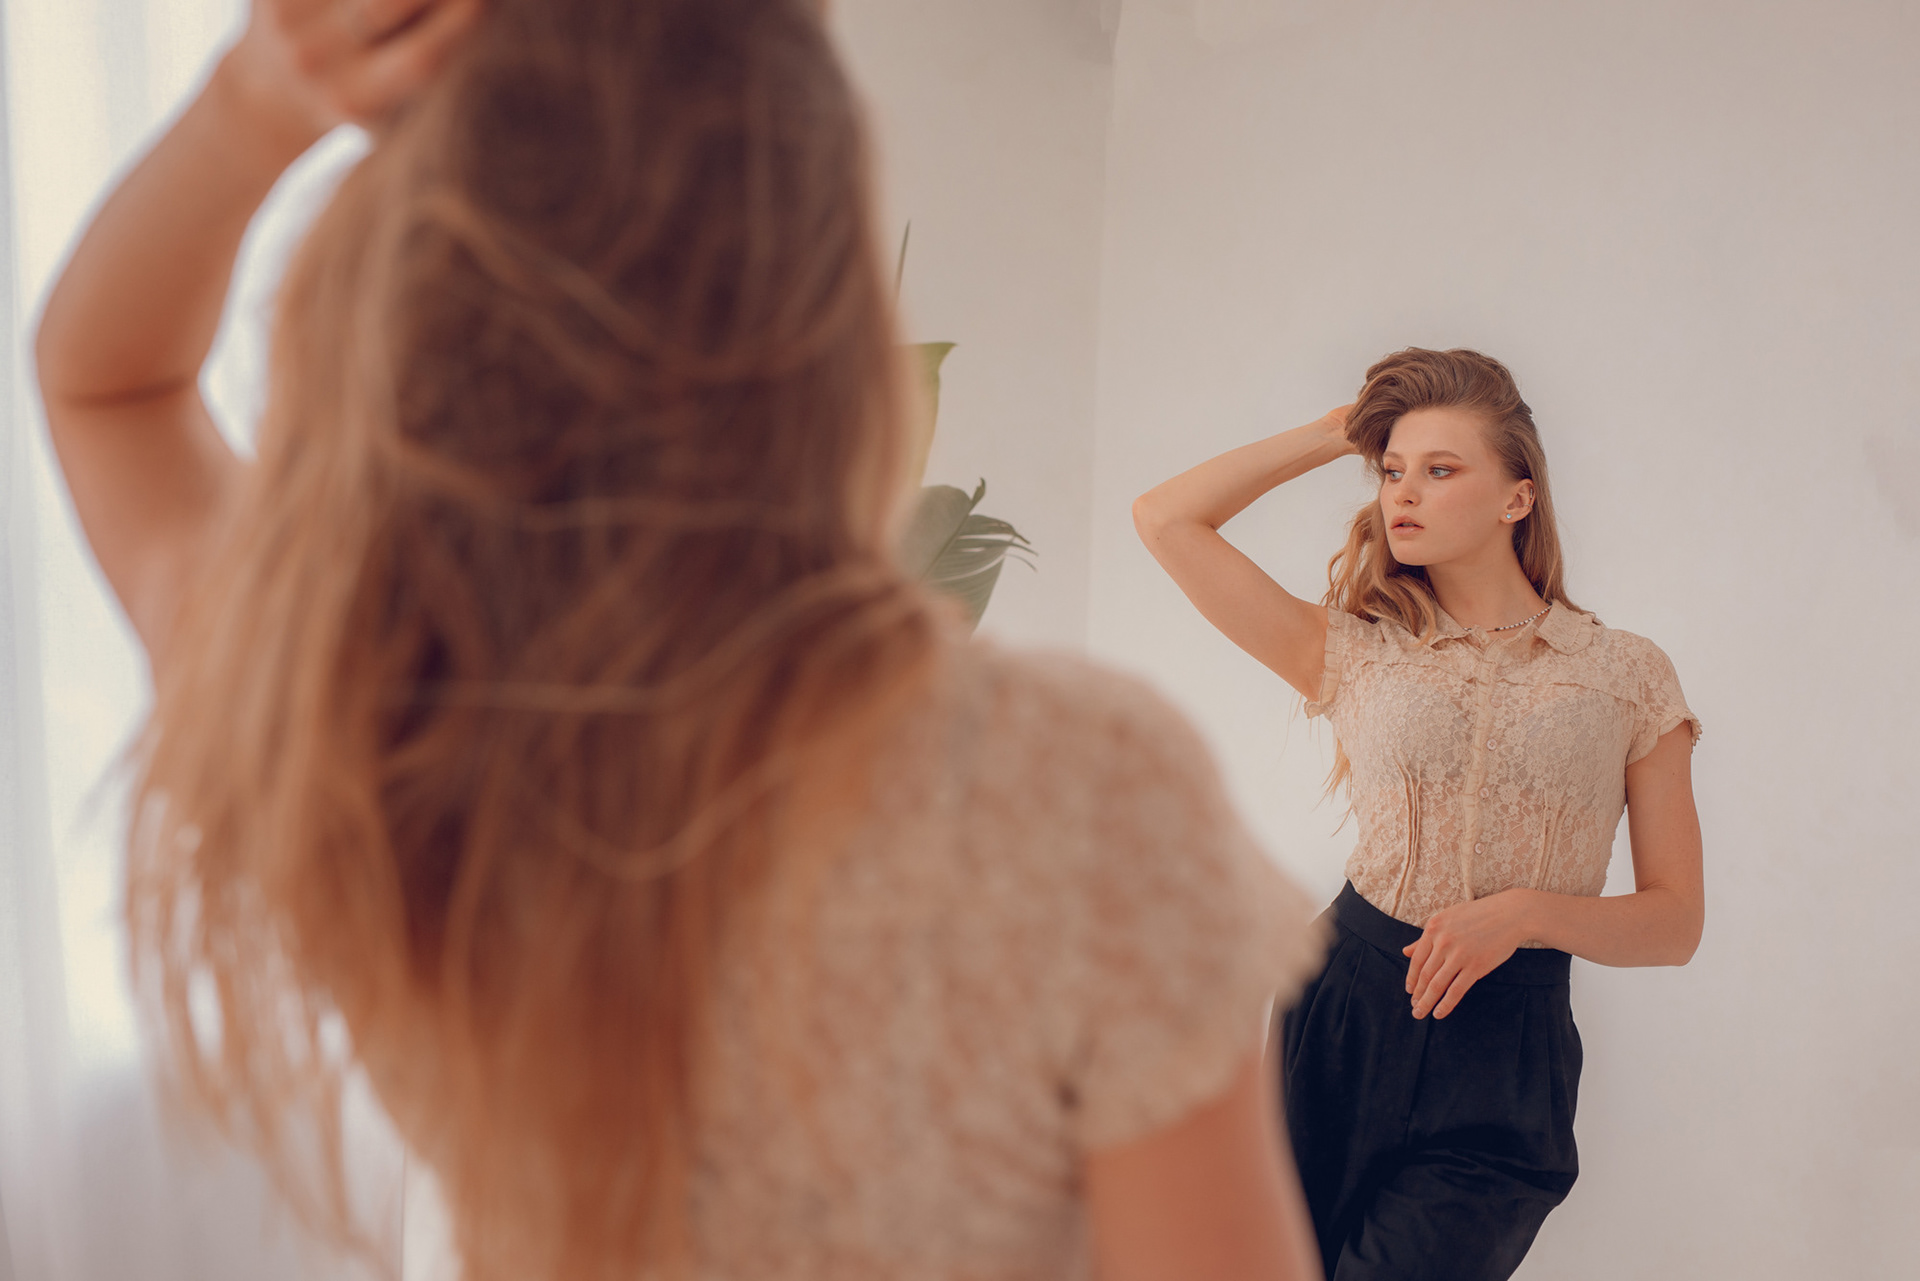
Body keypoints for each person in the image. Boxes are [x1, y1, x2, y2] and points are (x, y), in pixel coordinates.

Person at [33, 2, 1328, 1279]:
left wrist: (248, 108)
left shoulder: (361, 724)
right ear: (824, 330)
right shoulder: (1082, 789)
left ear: (410, 317)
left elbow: (108, 388)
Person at [1132, 347, 1705, 1281]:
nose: (1404, 492)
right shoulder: (1353, 650)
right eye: (1392, 469)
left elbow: (1676, 922)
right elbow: (1165, 518)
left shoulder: (1628, 674)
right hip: (1344, 1010)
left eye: (1441, 470)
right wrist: (1337, 431)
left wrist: (1522, 914)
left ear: (1518, 497)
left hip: (1507, 1050)